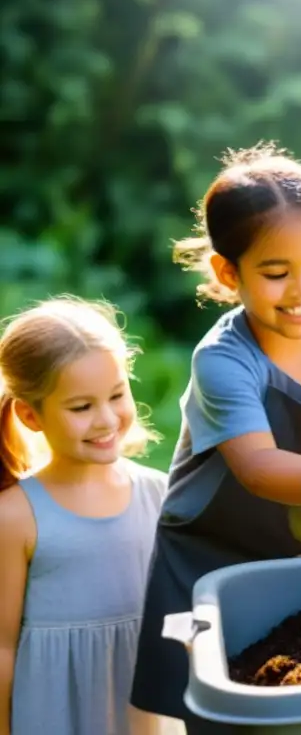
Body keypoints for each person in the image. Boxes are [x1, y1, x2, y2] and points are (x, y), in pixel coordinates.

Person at [129, 143, 301, 732]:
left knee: (284, 699)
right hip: (202, 557)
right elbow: (259, 466)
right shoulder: (223, 360)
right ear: (229, 273)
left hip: (287, 553)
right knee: (213, 706)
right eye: (276, 273)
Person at [0, 297, 172, 735]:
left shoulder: (158, 492)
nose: (107, 419)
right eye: (81, 407)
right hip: (56, 715)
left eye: (117, 395)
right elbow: (1, 649)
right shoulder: (16, 515)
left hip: (143, 714)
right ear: (29, 415)